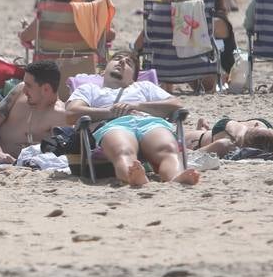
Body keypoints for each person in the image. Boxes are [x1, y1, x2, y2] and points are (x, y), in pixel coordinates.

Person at [64, 52, 198, 186]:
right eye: (117, 59)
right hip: (113, 124)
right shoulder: (89, 89)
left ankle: (175, 177)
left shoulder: (144, 87)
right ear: (104, 71)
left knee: (168, 148)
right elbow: (71, 113)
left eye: (129, 63)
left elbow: (176, 104)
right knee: (123, 150)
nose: (122, 62)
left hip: (149, 122)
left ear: (133, 78)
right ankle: (132, 176)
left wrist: (137, 105)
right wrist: (109, 112)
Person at [0, 60, 71, 164]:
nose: (25, 90)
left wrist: (18, 162)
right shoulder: (20, 90)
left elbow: (58, 158)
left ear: (46, 89)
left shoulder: (58, 116)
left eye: (29, 85)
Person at [186, 116, 273, 156]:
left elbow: (192, 154)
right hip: (198, 139)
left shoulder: (226, 144)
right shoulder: (226, 143)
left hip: (200, 138)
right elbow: (192, 154)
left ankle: (202, 128)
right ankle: (202, 128)